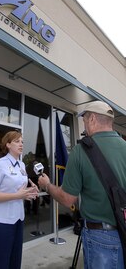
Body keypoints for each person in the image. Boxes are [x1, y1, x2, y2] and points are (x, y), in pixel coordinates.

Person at [38, 100, 126, 269]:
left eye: (84, 120)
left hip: (100, 239)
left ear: (92, 118)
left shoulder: (81, 151)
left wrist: (47, 185)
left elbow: (67, 199)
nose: (84, 125)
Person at [0, 130, 39, 269]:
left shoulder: (21, 165)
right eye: (17, 141)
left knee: (14, 262)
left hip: (17, 220)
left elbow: (17, 186)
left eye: (22, 141)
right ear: (8, 144)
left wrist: (31, 188)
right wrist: (17, 196)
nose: (21, 144)